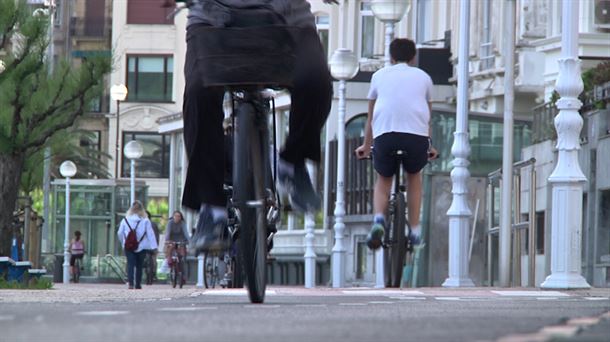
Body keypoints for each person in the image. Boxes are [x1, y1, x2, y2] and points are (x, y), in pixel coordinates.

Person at [172, 0, 337, 254]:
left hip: (286, 18)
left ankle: (292, 162)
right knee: (198, 94)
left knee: (316, 82)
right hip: (214, 19)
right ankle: (212, 209)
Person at [355, 38, 438, 250]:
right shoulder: (424, 78)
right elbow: (426, 116)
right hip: (416, 136)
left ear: (391, 57)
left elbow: (371, 116)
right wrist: (430, 146)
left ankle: (379, 221)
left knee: (384, 178)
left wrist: (366, 145)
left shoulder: (378, 76)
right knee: (414, 176)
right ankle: (415, 229)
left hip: (386, 134)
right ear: (414, 57)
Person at [117, 201, 158, 289]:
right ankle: (138, 284)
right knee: (139, 265)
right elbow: (150, 234)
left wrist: (123, 242)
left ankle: (131, 283)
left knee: (130, 264)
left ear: (131, 209)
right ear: (142, 209)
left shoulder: (125, 220)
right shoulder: (146, 221)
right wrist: (154, 247)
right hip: (142, 246)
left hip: (128, 246)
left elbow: (120, 233)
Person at [164, 210, 190, 283]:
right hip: (172, 240)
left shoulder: (182, 223)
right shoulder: (170, 223)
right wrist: (167, 240)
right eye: (175, 216)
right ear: (173, 217)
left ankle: (183, 276)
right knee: (170, 247)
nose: (177, 218)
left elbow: (186, 233)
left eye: (179, 216)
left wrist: (189, 242)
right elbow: (167, 233)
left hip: (181, 240)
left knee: (182, 258)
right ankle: (169, 261)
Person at [145, 210, 160, 283]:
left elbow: (156, 235)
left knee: (153, 260)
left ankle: (153, 273)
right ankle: (154, 274)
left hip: (150, 245)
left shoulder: (153, 224)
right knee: (153, 260)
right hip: (149, 245)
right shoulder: (153, 224)